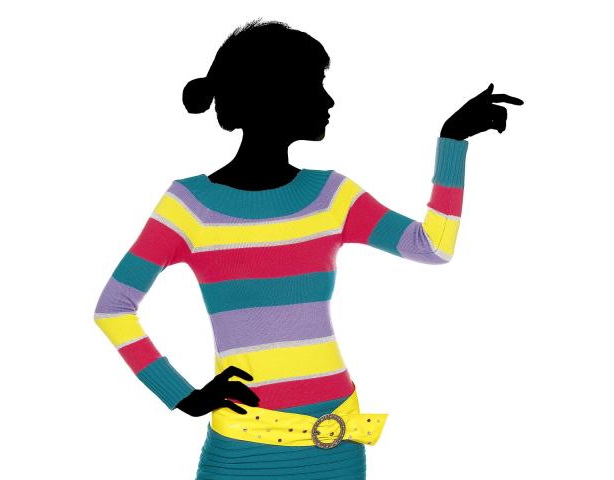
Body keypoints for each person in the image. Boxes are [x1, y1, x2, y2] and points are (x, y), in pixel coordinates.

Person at [93, 18, 524, 479]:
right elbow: (113, 309)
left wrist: (452, 142)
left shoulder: (332, 196)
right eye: (316, 83)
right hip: (241, 451)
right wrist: (182, 396)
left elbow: (432, 246)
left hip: (335, 441)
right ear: (274, 93)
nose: (329, 100)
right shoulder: (188, 207)